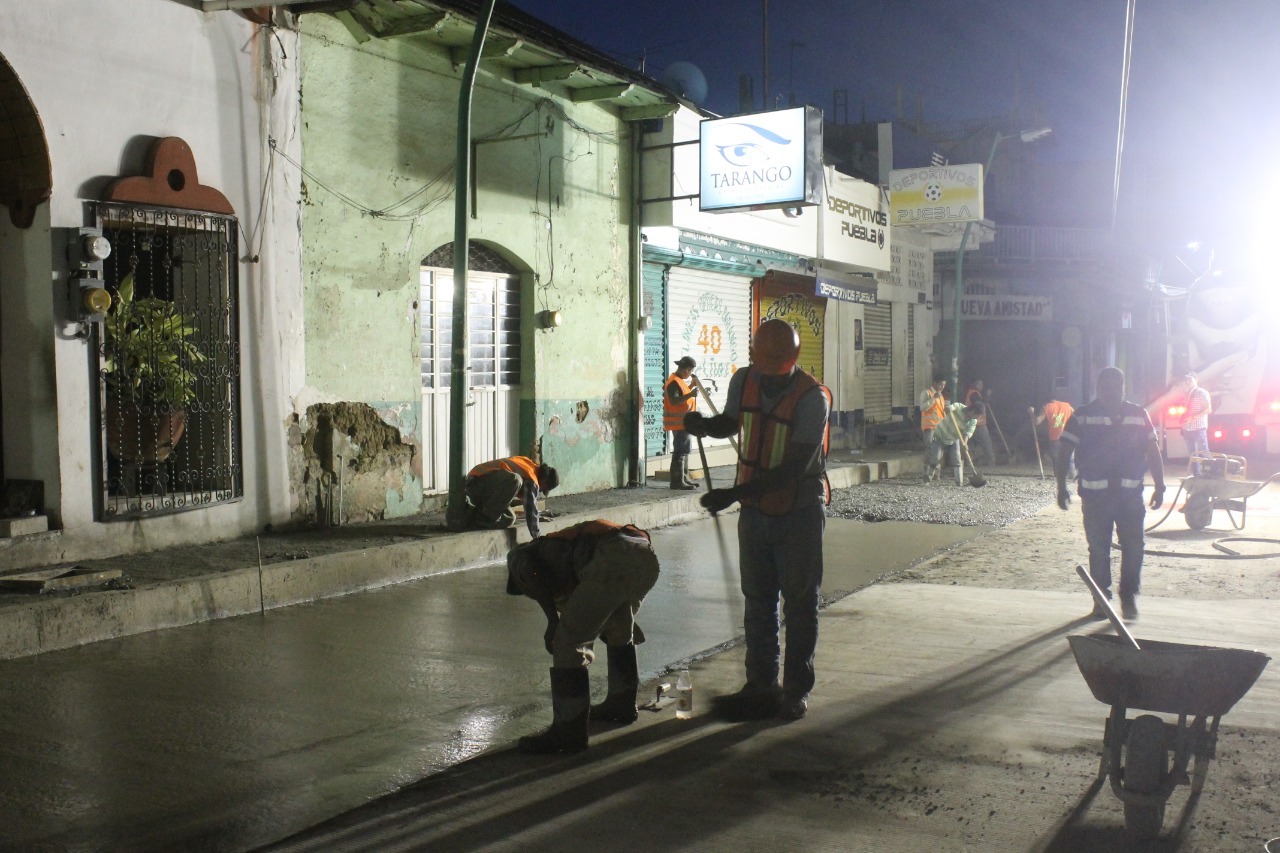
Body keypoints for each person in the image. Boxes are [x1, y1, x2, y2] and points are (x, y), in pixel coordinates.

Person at [684, 319, 831, 722]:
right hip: (755, 513)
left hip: (799, 511)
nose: (768, 374)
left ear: (793, 359)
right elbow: (732, 422)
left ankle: (795, 692)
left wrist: (731, 495)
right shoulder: (744, 380)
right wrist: (704, 425)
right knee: (759, 602)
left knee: (800, 606)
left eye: (777, 366)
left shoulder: (812, 399)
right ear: (752, 355)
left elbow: (791, 469)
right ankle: (761, 685)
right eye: (763, 363)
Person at [506, 519, 660, 753]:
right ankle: (621, 705)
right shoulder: (566, 550)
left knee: (567, 642)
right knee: (619, 629)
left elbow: (532, 573)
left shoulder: (520, 557)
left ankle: (568, 733)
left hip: (613, 555)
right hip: (643, 554)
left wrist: (552, 621)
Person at [1055, 366, 1165, 621]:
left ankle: (1127, 596)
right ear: (1098, 388)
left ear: (1123, 388)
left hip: (1127, 496)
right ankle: (1102, 601)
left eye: (1115, 387)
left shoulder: (1138, 415)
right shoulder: (1082, 416)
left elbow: (1152, 451)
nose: (1110, 391)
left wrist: (1160, 485)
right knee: (1101, 549)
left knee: (1132, 547)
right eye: (1106, 387)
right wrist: (1061, 486)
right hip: (1097, 498)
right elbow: (1064, 453)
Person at [463, 455, 558, 538]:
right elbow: (530, 506)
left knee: (509, 518)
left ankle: (472, 517)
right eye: (543, 489)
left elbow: (529, 509)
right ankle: (487, 516)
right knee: (515, 480)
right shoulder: (531, 477)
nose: (540, 491)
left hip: (486, 489)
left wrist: (537, 517)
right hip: (475, 482)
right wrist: (537, 537)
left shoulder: (528, 464)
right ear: (544, 480)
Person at [664, 356, 704, 490]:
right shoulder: (673, 382)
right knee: (680, 452)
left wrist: (691, 387)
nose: (690, 374)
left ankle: (683, 478)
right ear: (686, 370)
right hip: (679, 423)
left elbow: (682, 393)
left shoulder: (679, 381)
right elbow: (674, 401)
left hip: (684, 423)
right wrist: (691, 394)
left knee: (685, 451)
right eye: (691, 371)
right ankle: (676, 481)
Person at [929, 401, 983, 486]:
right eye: (978, 415)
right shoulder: (959, 407)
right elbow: (949, 408)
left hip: (953, 438)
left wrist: (964, 443)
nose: (977, 418)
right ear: (973, 411)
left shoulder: (973, 421)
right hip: (940, 434)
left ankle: (959, 482)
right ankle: (928, 478)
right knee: (935, 458)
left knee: (957, 459)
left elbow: (968, 432)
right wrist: (948, 408)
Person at [1035, 397, 1076, 478]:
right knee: (1070, 459)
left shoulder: (1047, 407)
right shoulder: (1067, 406)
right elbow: (1075, 416)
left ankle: (1059, 477)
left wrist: (1032, 413)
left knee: (1057, 459)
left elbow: (1037, 421)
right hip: (1068, 436)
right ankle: (1071, 476)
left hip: (1055, 438)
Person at [1180, 372, 1212, 475]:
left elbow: (1208, 409)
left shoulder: (1201, 393)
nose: (1187, 382)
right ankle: (1197, 475)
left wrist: (1193, 417)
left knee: (1203, 452)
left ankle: (1209, 474)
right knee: (1193, 455)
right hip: (1187, 428)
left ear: (1196, 380)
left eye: (1190, 379)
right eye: (1186, 380)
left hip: (1198, 427)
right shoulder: (1186, 393)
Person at [918, 375, 948, 482]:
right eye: (940, 384)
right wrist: (933, 399)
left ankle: (935, 475)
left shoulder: (941, 396)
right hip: (929, 427)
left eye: (944, 385)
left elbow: (941, 413)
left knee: (938, 452)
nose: (942, 387)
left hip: (939, 428)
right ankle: (926, 474)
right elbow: (922, 408)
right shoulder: (926, 393)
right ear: (934, 383)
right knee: (929, 450)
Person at [964, 379, 995, 465]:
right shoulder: (974, 394)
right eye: (979, 384)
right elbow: (980, 405)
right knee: (987, 444)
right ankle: (992, 464)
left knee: (971, 446)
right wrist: (987, 396)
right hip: (978, 424)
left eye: (981, 384)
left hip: (969, 423)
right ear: (974, 384)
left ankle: (968, 464)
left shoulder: (971, 393)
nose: (981, 386)